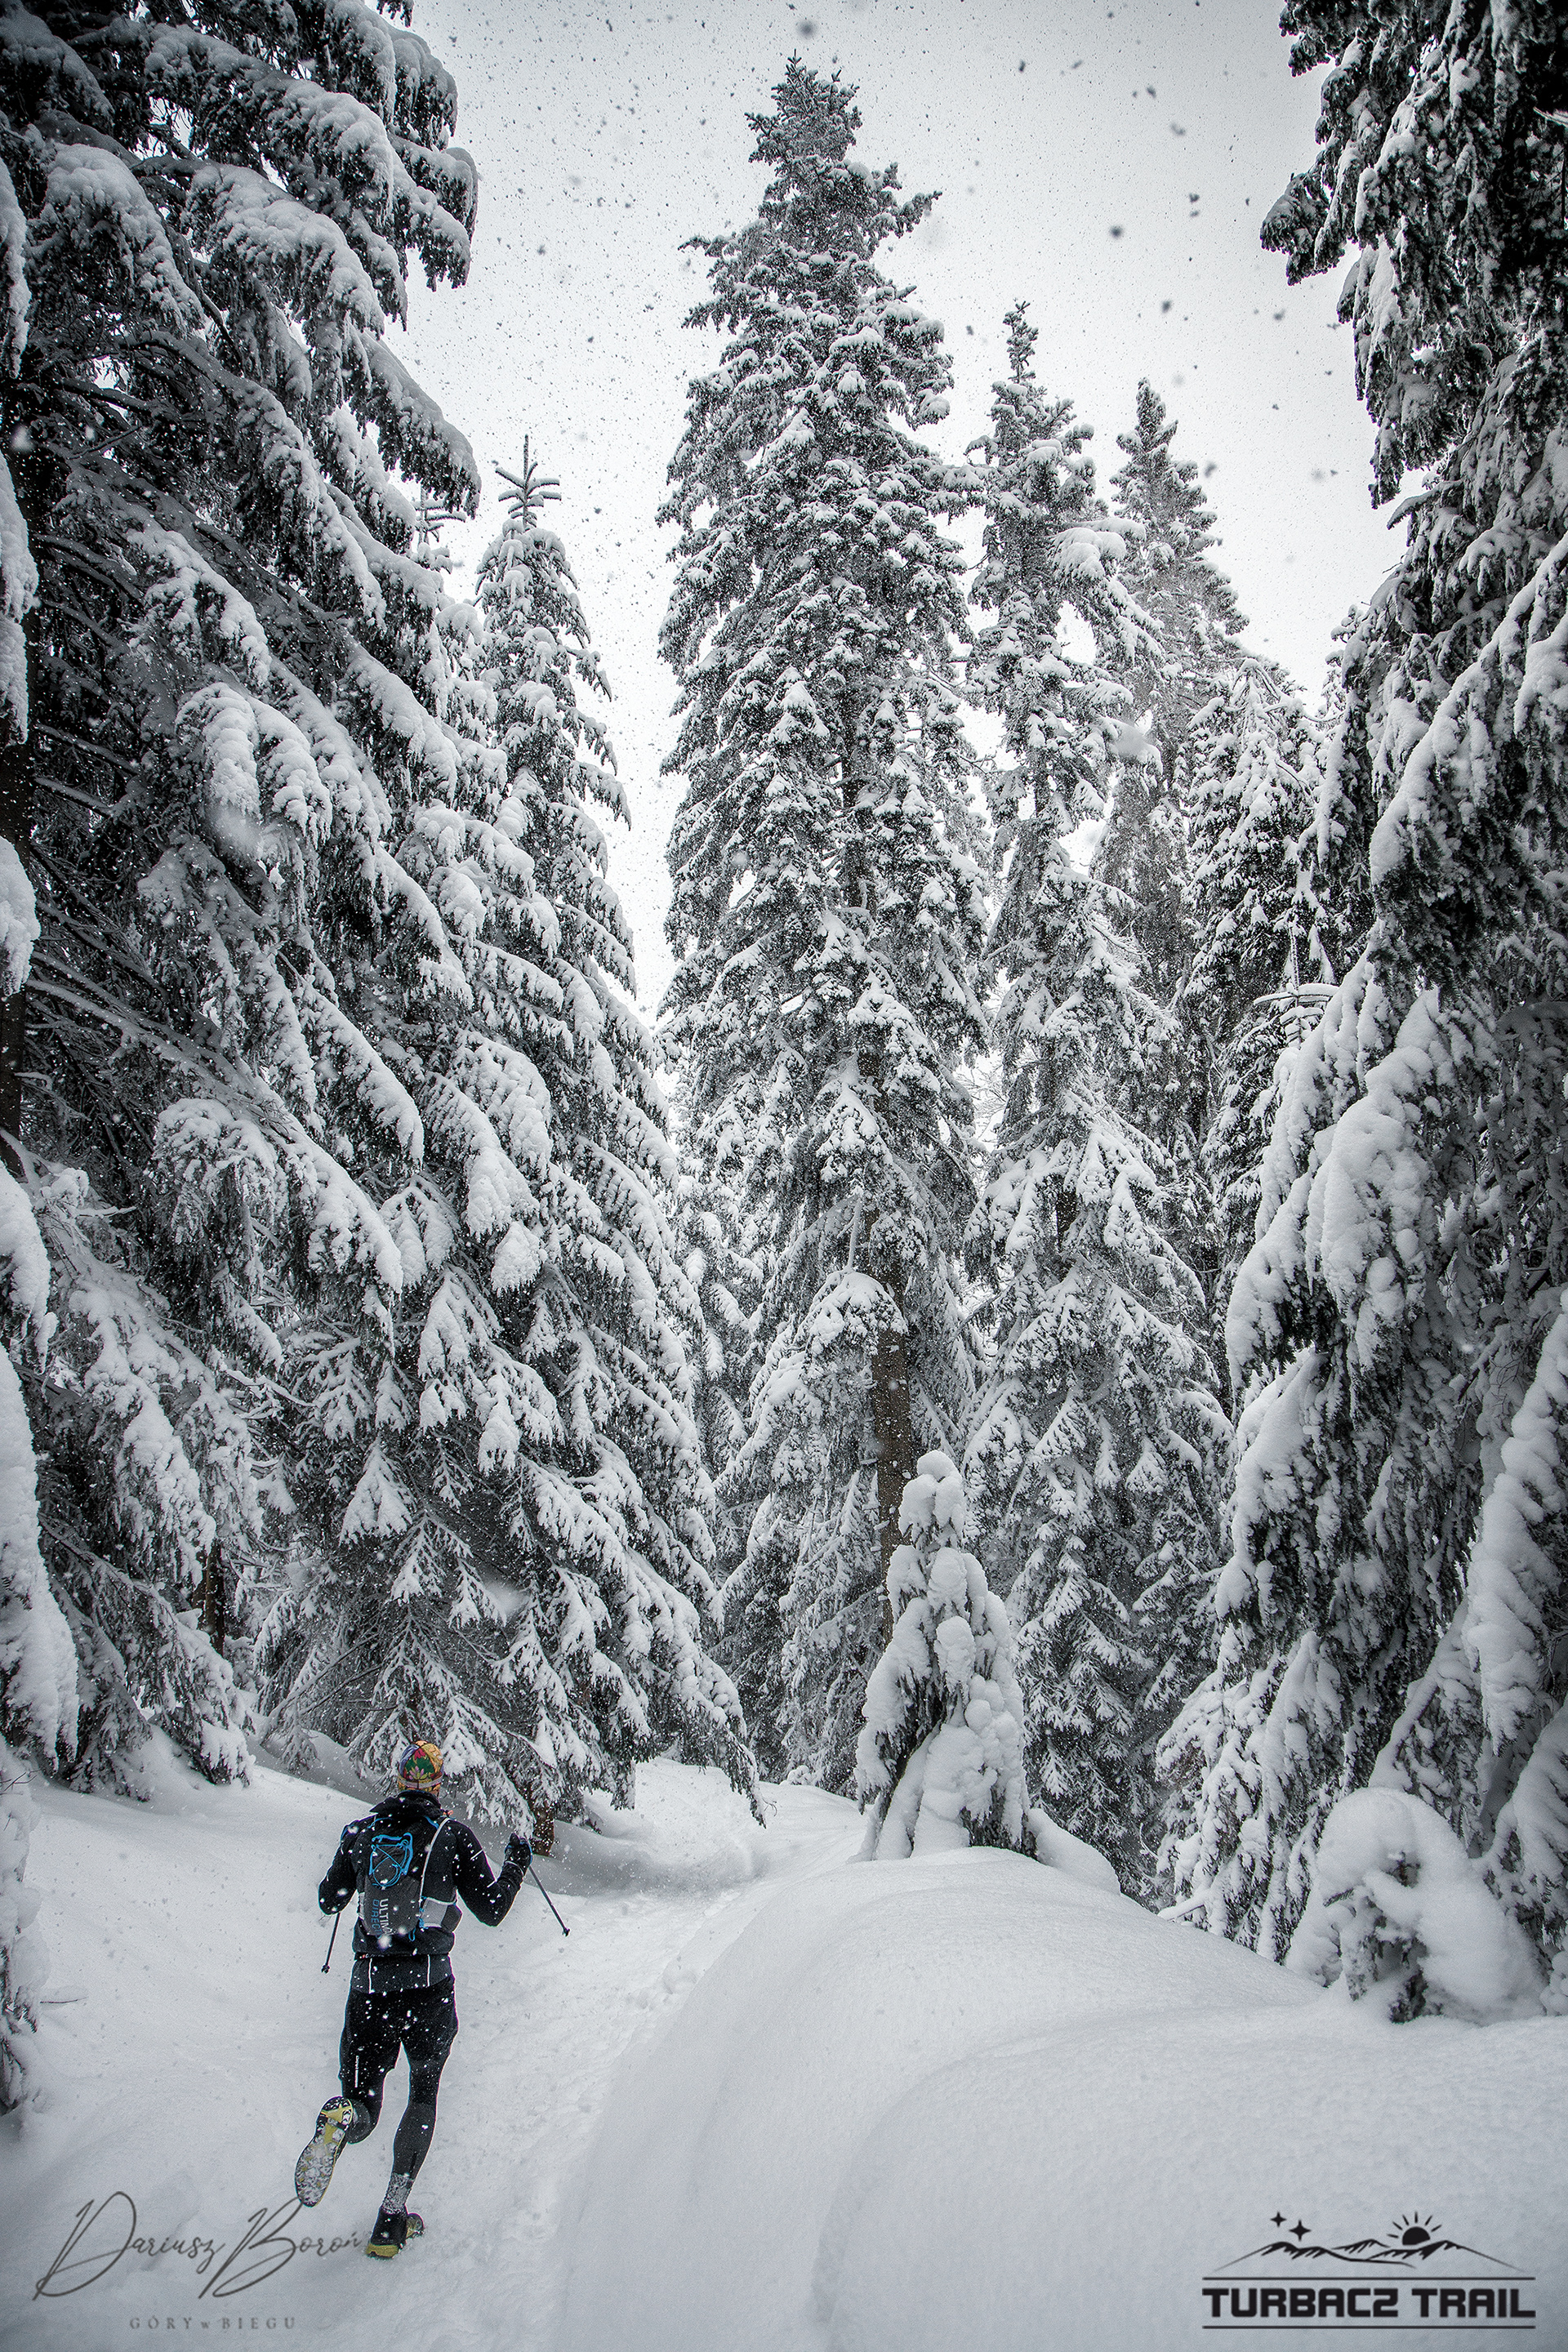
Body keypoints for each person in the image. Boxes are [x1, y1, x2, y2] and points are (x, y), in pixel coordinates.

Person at [293, 1738, 555, 2257]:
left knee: (364, 2103)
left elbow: (328, 1900)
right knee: (422, 2095)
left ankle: (345, 2119)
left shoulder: (361, 1831)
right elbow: (492, 1910)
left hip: (369, 1989)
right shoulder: (451, 1836)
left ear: (398, 1780)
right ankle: (391, 2217)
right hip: (428, 1991)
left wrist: (357, 1871)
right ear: (437, 1783)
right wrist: (516, 1864)